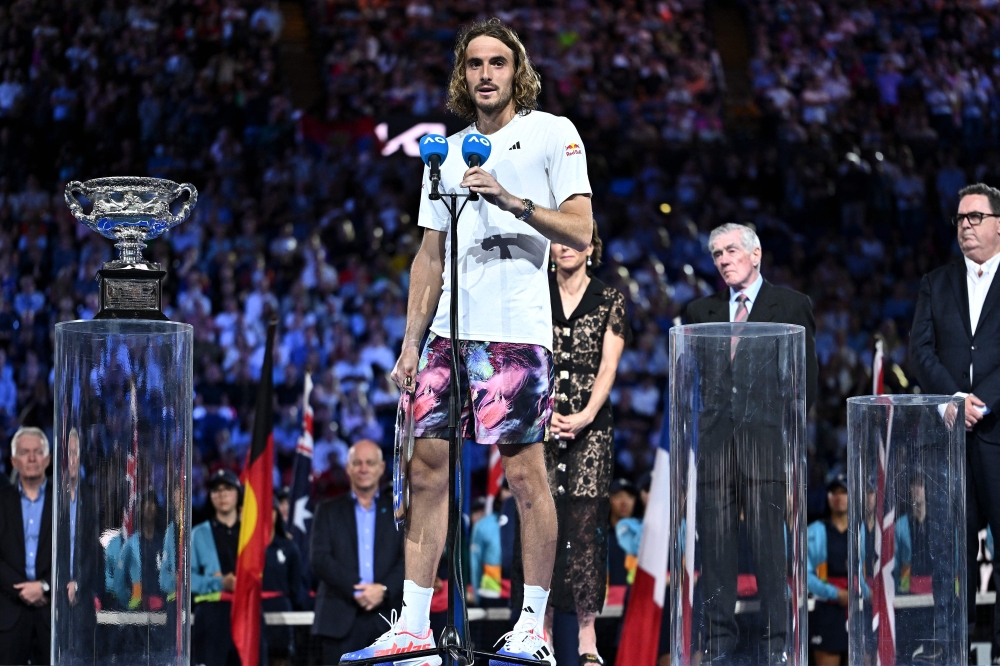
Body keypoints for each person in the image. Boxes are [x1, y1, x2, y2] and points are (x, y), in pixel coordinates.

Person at [345, 17, 592, 666]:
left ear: (518, 72)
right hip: (447, 339)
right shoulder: (445, 151)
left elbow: (580, 231)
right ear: (463, 74)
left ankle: (532, 625)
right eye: (475, 64)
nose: (486, 74)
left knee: (523, 474)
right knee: (425, 469)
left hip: (516, 336)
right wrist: (408, 345)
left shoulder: (551, 133)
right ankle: (415, 626)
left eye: (498, 63)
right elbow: (429, 257)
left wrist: (511, 201)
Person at [684, 222, 818, 663]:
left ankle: (777, 644)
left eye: (731, 250)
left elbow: (806, 385)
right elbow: (687, 383)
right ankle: (719, 644)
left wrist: (782, 430)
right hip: (715, 446)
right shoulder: (699, 313)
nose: (723, 260)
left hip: (765, 444)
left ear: (756, 254)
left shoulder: (791, 305)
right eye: (716, 253)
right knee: (717, 548)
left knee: (768, 548)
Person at [909, 182, 1000, 661]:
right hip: (950, 441)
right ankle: (953, 654)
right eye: (961, 218)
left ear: (999, 224)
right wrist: (956, 397)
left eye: (976, 217)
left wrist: (982, 401)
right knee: (951, 562)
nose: (966, 225)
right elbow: (918, 350)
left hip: (997, 433)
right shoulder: (935, 282)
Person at [545, 222, 629, 665]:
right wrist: (544, 414)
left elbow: (608, 368)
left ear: (591, 246)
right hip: (539, 423)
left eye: (575, 239)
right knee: (538, 521)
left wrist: (583, 417)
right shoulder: (534, 292)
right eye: (557, 239)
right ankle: (536, 624)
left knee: (585, 524)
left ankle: (586, 631)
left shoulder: (610, 299)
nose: (565, 247)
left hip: (590, 426)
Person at [310, 439, 404, 664]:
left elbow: (409, 559)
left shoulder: (400, 513)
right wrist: (359, 590)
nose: (364, 468)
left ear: (382, 468)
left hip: (388, 620)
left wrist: (382, 589)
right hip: (339, 620)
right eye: (358, 462)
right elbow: (319, 559)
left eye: (370, 463)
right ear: (348, 468)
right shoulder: (326, 510)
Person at [0, 427, 53, 665]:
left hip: (51, 614)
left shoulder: (65, 502)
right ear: (13, 461)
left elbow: (75, 556)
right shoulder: (1, 501)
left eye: (37, 452)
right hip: (9, 613)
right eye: (24, 452)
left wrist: (44, 586)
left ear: (48, 459)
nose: (32, 458)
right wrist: (23, 590)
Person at [191, 469, 243, 666]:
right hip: (211, 617)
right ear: (210, 496)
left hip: (245, 613)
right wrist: (220, 582)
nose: (222, 495)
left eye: (228, 489)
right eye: (216, 490)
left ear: (238, 493)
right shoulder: (198, 533)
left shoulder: (250, 533)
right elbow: (187, 580)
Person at [807, 474, 850, 665]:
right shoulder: (815, 530)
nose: (838, 497)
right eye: (834, 492)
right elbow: (806, 575)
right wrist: (835, 593)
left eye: (844, 492)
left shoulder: (862, 531)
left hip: (857, 609)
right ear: (828, 497)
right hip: (826, 611)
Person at [264, 500, 306, 666]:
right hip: (252, 611)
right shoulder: (244, 548)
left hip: (282, 613)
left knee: (280, 659)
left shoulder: (289, 547)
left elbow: (296, 586)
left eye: (271, 510)